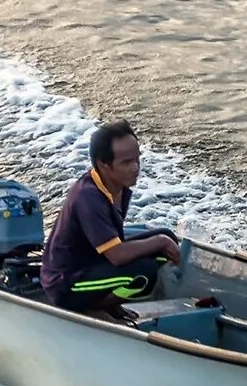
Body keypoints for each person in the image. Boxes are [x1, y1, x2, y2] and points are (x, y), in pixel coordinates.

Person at [41, 120, 180, 318]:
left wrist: (163, 240)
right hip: (68, 282)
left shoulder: (117, 186)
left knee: (166, 239)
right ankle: (96, 307)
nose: (135, 168)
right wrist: (160, 242)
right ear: (103, 165)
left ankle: (108, 303)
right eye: (126, 162)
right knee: (144, 272)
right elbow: (117, 255)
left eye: (137, 159)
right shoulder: (88, 198)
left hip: (96, 261)